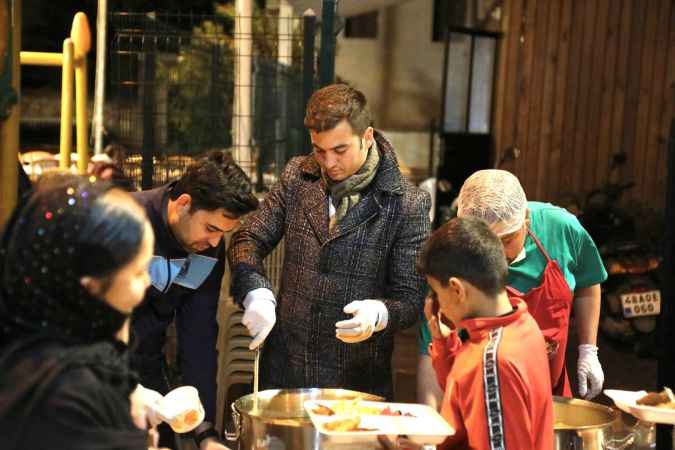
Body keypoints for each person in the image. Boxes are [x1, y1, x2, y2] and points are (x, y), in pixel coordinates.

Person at [228, 83, 431, 399]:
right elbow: (248, 237)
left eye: (340, 150)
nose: (329, 163)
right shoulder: (298, 176)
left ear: (367, 137)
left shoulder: (407, 203)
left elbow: (410, 298)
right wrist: (255, 289)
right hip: (285, 370)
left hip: (356, 381)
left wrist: (380, 314)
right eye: (319, 150)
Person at [418, 169, 607, 404]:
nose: (496, 254)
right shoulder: (452, 255)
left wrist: (588, 350)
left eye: (507, 240)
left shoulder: (561, 227)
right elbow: (431, 353)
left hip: (551, 391)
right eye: (484, 243)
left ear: (525, 220)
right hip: (482, 395)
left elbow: (588, 281)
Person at [0, 174, 160, 450]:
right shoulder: (64, 395)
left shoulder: (51, 338)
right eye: (138, 272)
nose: (148, 282)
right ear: (91, 286)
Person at [130, 150, 258, 449]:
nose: (215, 242)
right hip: (95, 370)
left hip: (148, 368)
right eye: (211, 228)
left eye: (224, 233)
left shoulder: (209, 249)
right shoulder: (128, 221)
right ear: (184, 203)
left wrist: (206, 433)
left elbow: (199, 337)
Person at [414, 217, 553, 450]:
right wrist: (444, 344)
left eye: (437, 293)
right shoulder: (523, 323)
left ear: (457, 289)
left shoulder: (494, 360)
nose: (438, 304)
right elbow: (470, 395)